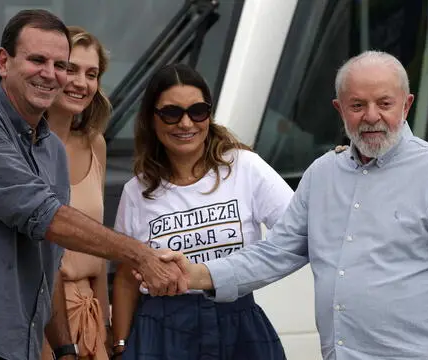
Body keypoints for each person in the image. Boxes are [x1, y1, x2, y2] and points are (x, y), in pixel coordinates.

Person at [146, 51, 428, 359]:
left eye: (385, 103)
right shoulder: (322, 174)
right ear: (339, 109)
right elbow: (275, 253)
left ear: (406, 104)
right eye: (358, 105)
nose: (371, 116)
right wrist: (197, 274)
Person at [0, 9, 186, 360]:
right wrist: (143, 255)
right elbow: (43, 215)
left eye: (60, 65)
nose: (51, 74)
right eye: (37, 60)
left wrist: (65, 350)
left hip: (12, 346)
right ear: (4, 62)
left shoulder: (51, 151)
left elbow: (49, 264)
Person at [110, 63, 293, 360]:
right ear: (151, 120)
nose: (186, 123)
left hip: (238, 322)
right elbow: (127, 277)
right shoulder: (136, 191)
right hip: (162, 330)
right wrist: (120, 347)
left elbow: (297, 231)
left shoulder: (244, 166)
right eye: (171, 113)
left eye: (197, 111)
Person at [40, 26, 113, 360]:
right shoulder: (19, 146)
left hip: (90, 317)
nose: (81, 83)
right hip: (39, 319)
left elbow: (98, 250)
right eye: (71, 69)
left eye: (92, 73)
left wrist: (107, 328)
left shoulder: (95, 145)